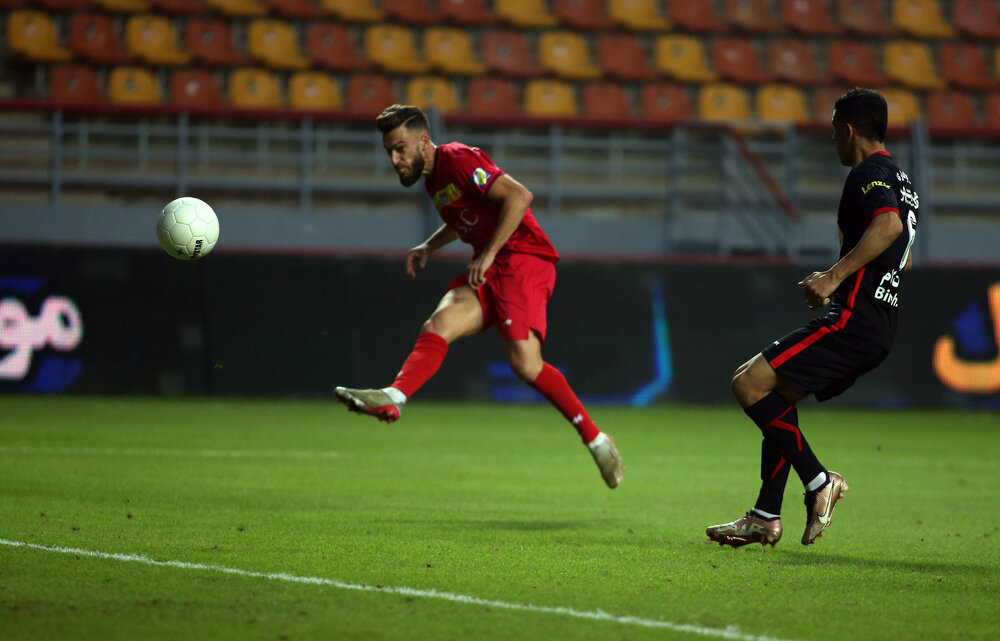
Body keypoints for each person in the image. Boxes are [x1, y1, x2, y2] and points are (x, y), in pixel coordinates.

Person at [335, 104, 625, 489]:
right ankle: (394, 396)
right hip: (489, 266)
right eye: (390, 151)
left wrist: (488, 254)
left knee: (525, 364)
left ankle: (596, 439)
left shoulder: (458, 158)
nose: (395, 159)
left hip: (523, 259)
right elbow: (464, 218)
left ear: (424, 141)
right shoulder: (433, 180)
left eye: (401, 148)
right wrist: (429, 245)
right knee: (439, 323)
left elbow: (519, 197)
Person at [706, 88, 919, 547]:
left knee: (747, 384)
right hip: (876, 321)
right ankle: (765, 515)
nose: (832, 141)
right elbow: (898, 243)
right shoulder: (901, 179)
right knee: (775, 396)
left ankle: (821, 482)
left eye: (832, 131)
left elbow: (889, 227)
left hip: (855, 321)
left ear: (847, 129)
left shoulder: (869, 172)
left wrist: (833, 275)